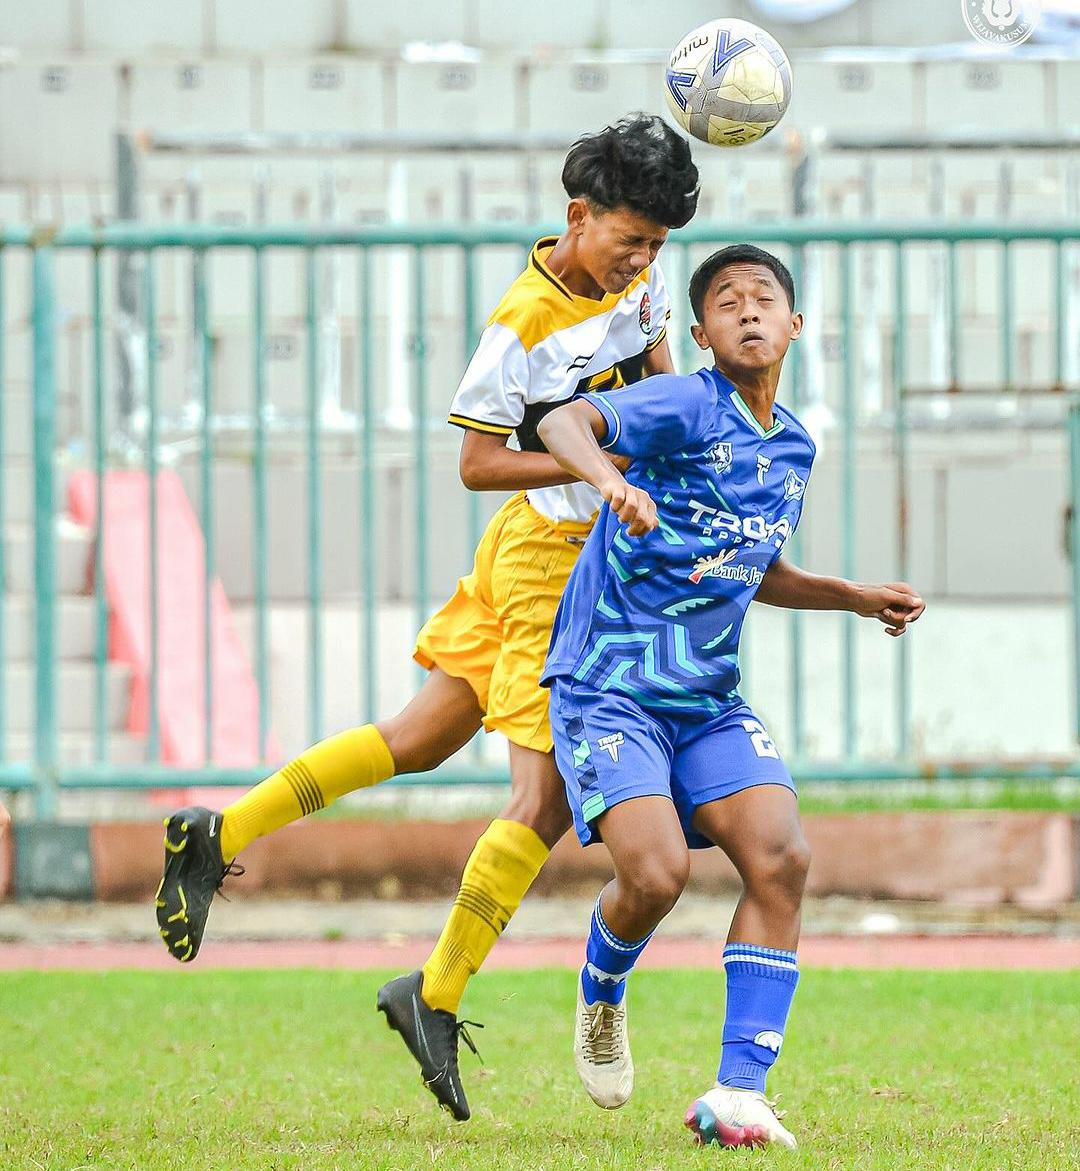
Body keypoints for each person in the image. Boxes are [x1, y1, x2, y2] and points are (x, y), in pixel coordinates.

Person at [155, 114, 699, 1119]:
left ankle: (217, 829)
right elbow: (478, 463)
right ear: (576, 217)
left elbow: (658, 360)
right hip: (546, 559)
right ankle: (433, 993)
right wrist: (602, 466)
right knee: (539, 804)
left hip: (574, 546)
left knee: (418, 737)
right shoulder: (522, 323)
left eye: (658, 245)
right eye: (630, 239)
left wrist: (682, 437)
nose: (643, 260)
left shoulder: (639, 276)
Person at [536, 244, 924, 1149]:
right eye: (725, 301)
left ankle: (739, 1092)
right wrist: (610, 481)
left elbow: (752, 567)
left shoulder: (794, 444)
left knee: (782, 859)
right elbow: (563, 423)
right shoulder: (680, 402)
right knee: (657, 873)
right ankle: (601, 988)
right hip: (610, 687)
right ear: (702, 331)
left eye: (764, 299)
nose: (746, 310)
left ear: (795, 326)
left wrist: (854, 595)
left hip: (705, 695)